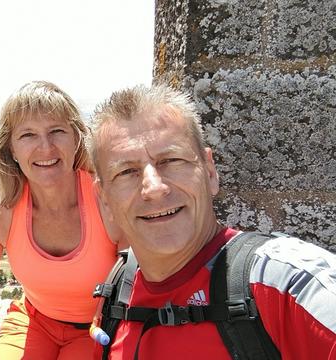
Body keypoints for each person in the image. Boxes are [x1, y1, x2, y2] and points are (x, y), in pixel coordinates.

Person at [88, 83, 336, 359]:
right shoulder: (117, 294)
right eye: (126, 172)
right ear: (104, 199)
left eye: (171, 160)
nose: (154, 188)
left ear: (209, 172)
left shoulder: (287, 287)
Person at [0, 81, 126, 360]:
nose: (45, 147)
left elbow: (136, 285)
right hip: (32, 321)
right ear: (11, 149)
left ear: (76, 139)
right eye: (28, 135)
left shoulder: (107, 197)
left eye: (57, 131)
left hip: (96, 329)